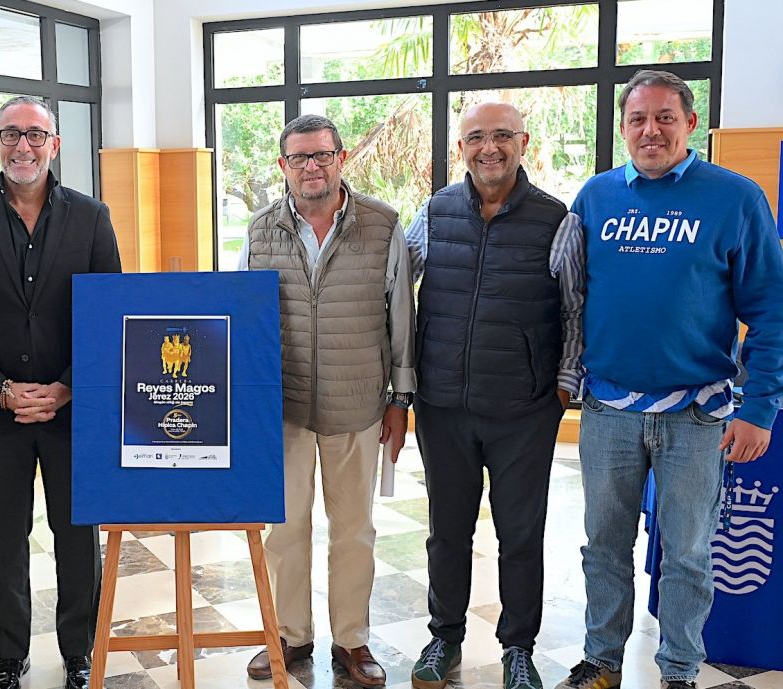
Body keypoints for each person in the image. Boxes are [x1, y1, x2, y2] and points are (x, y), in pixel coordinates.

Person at [554, 69, 783, 689]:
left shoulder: (735, 197)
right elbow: (571, 296)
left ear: (688, 123)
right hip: (607, 412)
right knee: (602, 547)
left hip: (698, 417)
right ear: (623, 128)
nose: (650, 130)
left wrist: (760, 408)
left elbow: (770, 309)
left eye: (664, 118)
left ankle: (678, 670)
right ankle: (601, 661)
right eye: (637, 119)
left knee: (687, 554)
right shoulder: (595, 197)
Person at [0, 95, 121, 689]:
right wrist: (0, 388)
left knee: (75, 535)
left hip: (73, 412)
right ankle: (10, 656)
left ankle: (78, 653)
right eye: (11, 134)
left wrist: (68, 387)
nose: (24, 146)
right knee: (5, 537)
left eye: (36, 135)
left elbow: (109, 312)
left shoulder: (91, 217)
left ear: (54, 145)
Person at [403, 102, 583, 689]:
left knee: (520, 534)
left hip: (524, 410)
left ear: (522, 142)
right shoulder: (433, 213)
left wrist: (564, 384)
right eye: (476, 137)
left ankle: (518, 649)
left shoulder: (557, 218)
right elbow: (395, 287)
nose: (489, 147)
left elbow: (576, 306)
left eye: (501, 136)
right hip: (443, 404)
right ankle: (443, 637)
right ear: (460, 148)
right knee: (447, 530)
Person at [238, 113, 416, 687]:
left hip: (359, 403)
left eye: (321, 155)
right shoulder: (260, 228)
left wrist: (401, 398)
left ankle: (353, 641)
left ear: (341, 158)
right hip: (283, 407)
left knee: (354, 530)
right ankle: (289, 635)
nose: (311, 166)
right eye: (299, 158)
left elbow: (401, 321)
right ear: (282, 166)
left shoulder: (383, 225)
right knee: (285, 529)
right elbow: (245, 320)